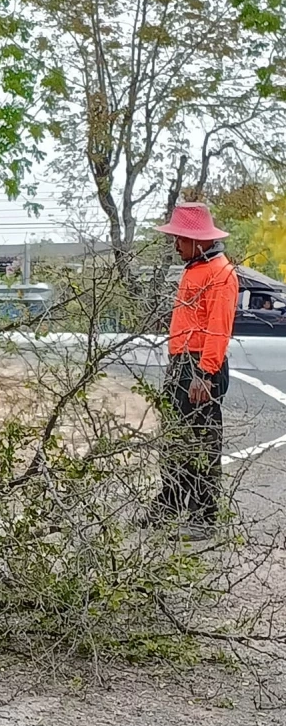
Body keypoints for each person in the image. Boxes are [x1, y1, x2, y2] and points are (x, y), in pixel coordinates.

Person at [146, 203, 239, 537]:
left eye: (181, 239)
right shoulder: (196, 267)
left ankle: (203, 516)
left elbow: (219, 328)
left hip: (200, 366)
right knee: (174, 441)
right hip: (182, 363)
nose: (176, 245)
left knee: (201, 442)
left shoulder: (220, 273)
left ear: (198, 240)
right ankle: (169, 505)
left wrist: (205, 373)